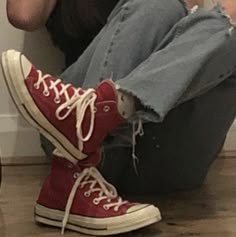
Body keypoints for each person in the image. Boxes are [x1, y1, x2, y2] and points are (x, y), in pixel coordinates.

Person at [3, 0, 236, 235]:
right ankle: (86, 125)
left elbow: (200, 11)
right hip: (75, 147)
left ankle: (105, 111)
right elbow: (23, 15)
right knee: (157, 5)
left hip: (163, 152)